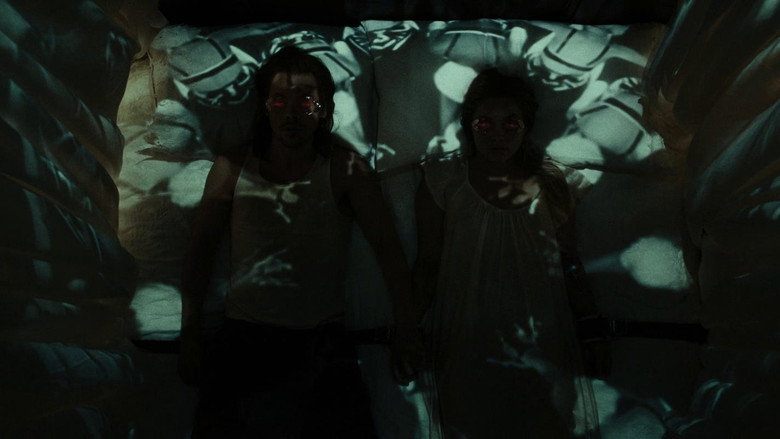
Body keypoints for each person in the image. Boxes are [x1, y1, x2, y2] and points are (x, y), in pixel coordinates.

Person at [178, 46, 421, 438]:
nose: (291, 114)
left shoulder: (345, 169)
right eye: (279, 100)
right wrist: (190, 334)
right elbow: (199, 252)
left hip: (321, 346)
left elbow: (390, 254)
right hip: (245, 342)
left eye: (305, 101)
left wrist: (407, 333)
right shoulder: (233, 167)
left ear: (324, 110)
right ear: (265, 108)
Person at [414, 68, 604, 438]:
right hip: (467, 341)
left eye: (510, 124)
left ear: (526, 126)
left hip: (539, 341)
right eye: (485, 123)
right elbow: (427, 264)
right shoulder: (445, 179)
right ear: (469, 125)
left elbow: (569, 261)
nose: (497, 135)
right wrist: (407, 330)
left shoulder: (552, 184)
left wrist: (592, 328)